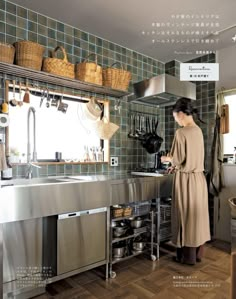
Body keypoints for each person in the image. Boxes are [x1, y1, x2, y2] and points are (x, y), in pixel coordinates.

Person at [161, 97, 211, 265]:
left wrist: (166, 159)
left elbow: (177, 158)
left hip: (186, 181)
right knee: (197, 217)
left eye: (175, 117)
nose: (176, 121)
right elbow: (190, 158)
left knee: (185, 216)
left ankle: (185, 257)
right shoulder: (198, 131)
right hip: (199, 180)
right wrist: (176, 165)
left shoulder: (181, 132)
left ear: (181, 114)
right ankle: (196, 255)